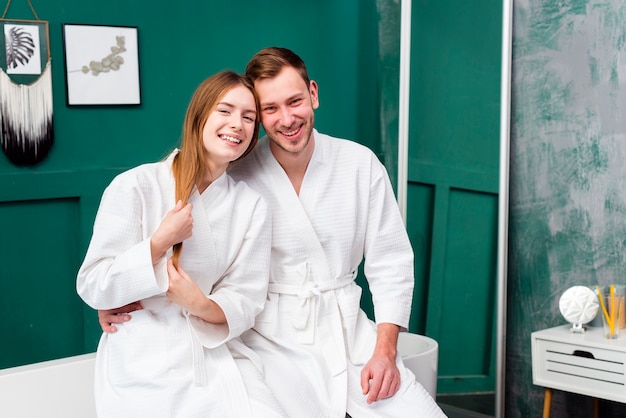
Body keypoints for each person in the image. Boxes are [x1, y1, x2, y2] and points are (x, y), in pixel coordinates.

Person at [99, 48, 446, 417]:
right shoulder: (235, 171)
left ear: (313, 93)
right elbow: (198, 254)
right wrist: (115, 293)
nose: (287, 119)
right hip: (265, 338)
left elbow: (390, 262)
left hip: (347, 328)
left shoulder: (361, 164)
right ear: (259, 118)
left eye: (295, 101)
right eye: (269, 109)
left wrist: (385, 350)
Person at [77, 71, 286, 417]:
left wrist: (200, 304)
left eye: (249, 117)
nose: (237, 124)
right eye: (225, 110)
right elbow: (95, 285)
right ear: (199, 115)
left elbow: (246, 296)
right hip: (142, 355)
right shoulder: (135, 186)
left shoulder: (250, 205)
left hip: (212, 348)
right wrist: (160, 242)